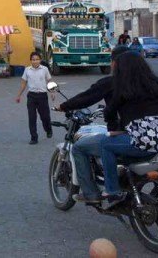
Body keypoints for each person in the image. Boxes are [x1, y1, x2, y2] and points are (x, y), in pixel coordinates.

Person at [100, 52, 158, 201]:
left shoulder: (122, 86)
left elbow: (111, 111)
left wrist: (112, 127)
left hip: (146, 140)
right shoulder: (156, 82)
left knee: (105, 144)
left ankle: (112, 190)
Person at [55, 45, 129, 203]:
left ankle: (92, 193)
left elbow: (87, 97)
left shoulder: (112, 82)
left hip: (127, 136)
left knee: (79, 147)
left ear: (115, 63)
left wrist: (64, 106)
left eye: (111, 61)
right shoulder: (149, 82)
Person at [15, 51, 54, 144]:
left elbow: (49, 80)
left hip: (42, 96)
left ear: (40, 60)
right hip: (31, 96)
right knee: (32, 118)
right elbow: (23, 83)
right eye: (33, 60)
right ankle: (34, 137)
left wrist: (52, 92)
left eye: (37, 59)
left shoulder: (44, 69)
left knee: (45, 117)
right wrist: (19, 95)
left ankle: (48, 129)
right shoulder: (27, 70)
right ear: (30, 61)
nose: (35, 61)